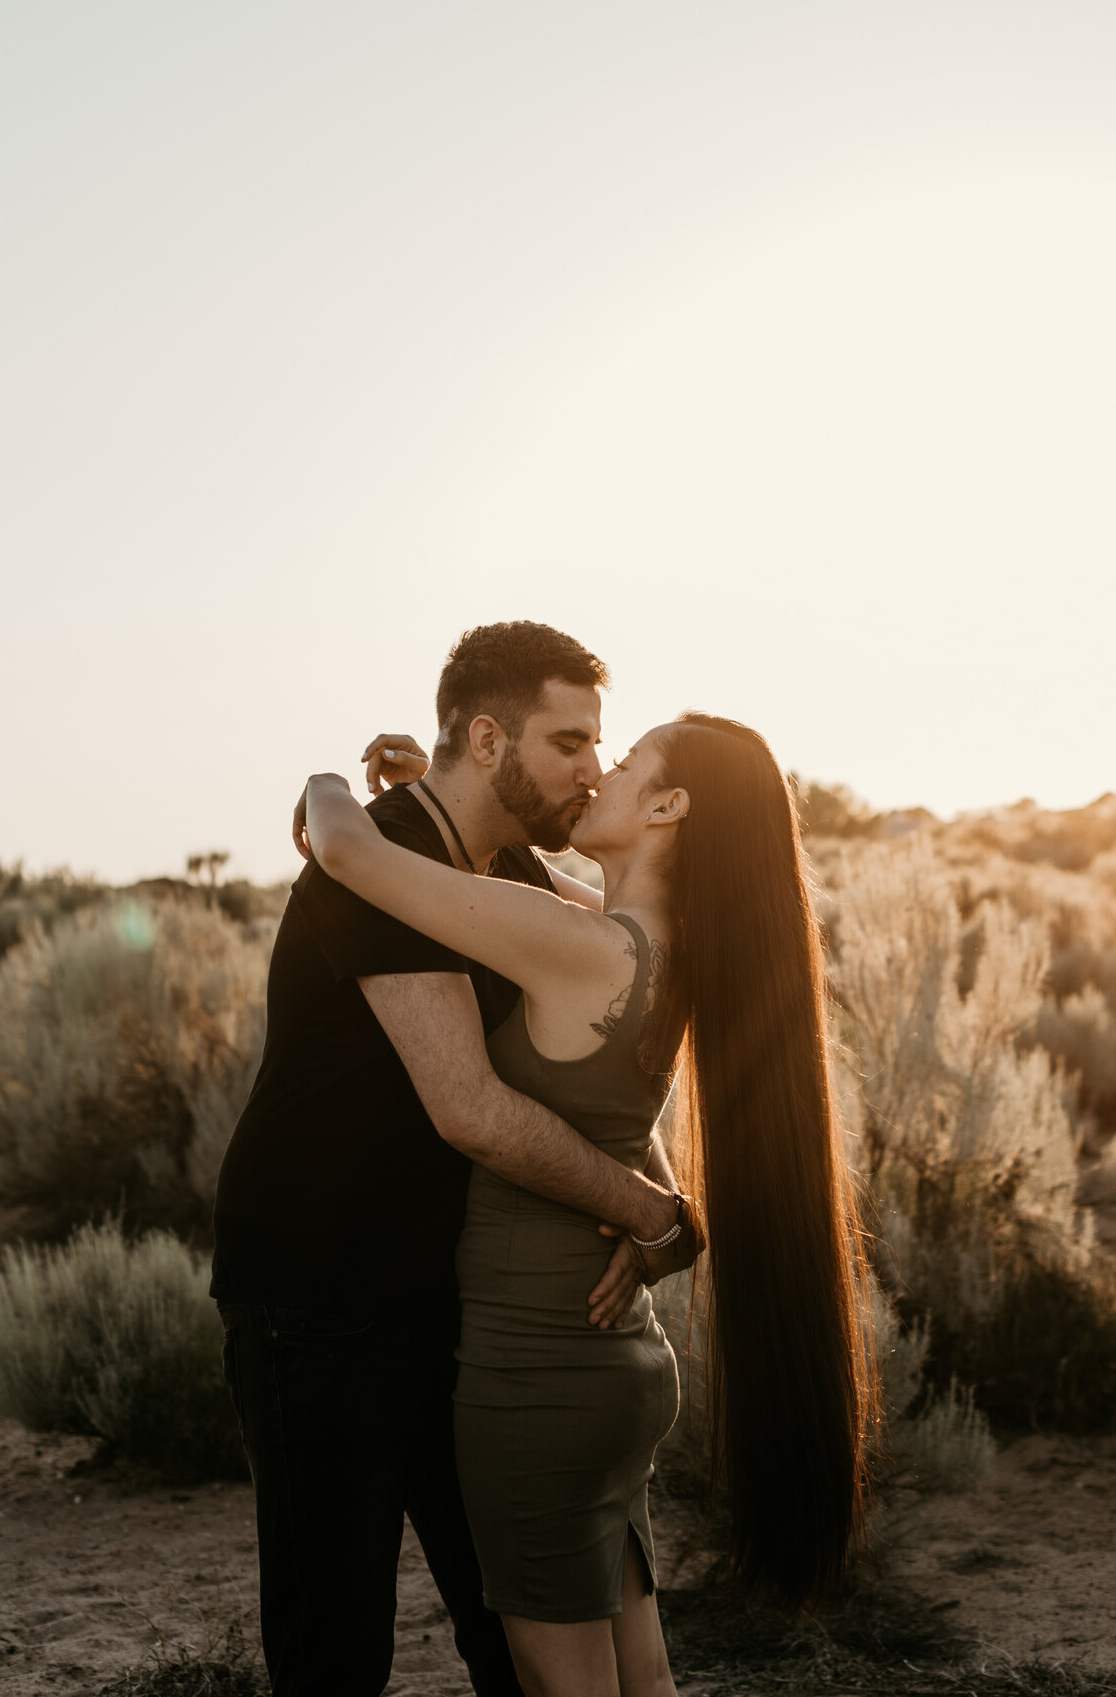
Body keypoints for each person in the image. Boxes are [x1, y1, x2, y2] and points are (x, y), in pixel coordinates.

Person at [303, 711, 874, 1697]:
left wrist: (326, 784)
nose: (593, 776)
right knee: (640, 1683)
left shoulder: (583, 947)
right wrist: (437, 795)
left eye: (620, 762)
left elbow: (349, 853)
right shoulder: (666, 943)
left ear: (667, 804)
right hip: (615, 1366)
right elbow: (521, 884)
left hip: (539, 1368)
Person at [210, 622, 696, 1697]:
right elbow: (472, 1110)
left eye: (600, 746)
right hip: (319, 1292)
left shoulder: (496, 863)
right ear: (488, 739)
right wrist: (654, 1212)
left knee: (512, 1625)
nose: (591, 769)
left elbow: (593, 1065)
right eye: (569, 742)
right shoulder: (386, 865)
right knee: (337, 1640)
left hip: (456, 1297)